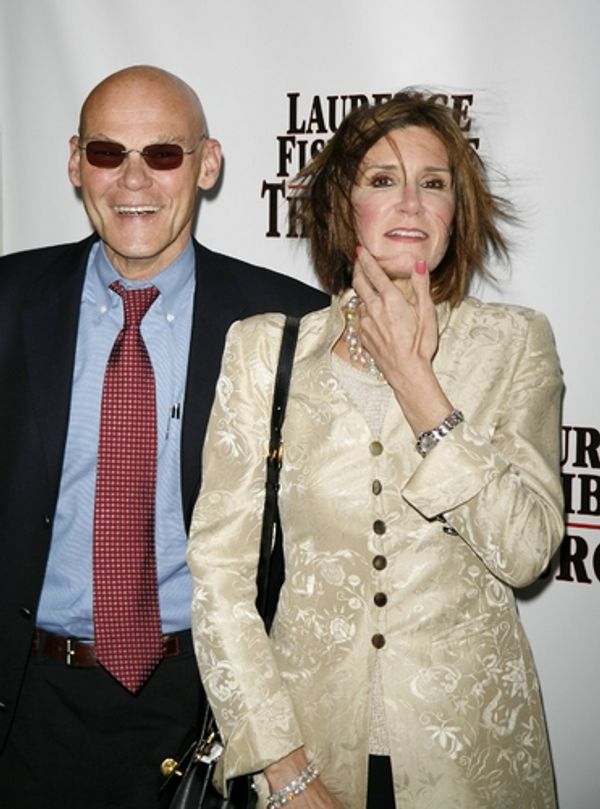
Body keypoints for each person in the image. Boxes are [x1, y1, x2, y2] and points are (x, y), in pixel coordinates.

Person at [187, 90, 564, 809]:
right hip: (308, 755)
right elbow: (220, 579)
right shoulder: (267, 351)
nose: (412, 205)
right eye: (382, 181)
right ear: (343, 204)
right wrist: (284, 770)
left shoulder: (516, 343)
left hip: (472, 764)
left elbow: (526, 552)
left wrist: (419, 386)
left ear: (460, 208)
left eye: (434, 183)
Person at [0, 65, 327, 809]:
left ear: (207, 164)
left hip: (209, 703)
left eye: (164, 154)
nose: (133, 180)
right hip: (26, 703)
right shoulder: (8, 299)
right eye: (109, 153)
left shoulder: (289, 324)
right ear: (76, 160)